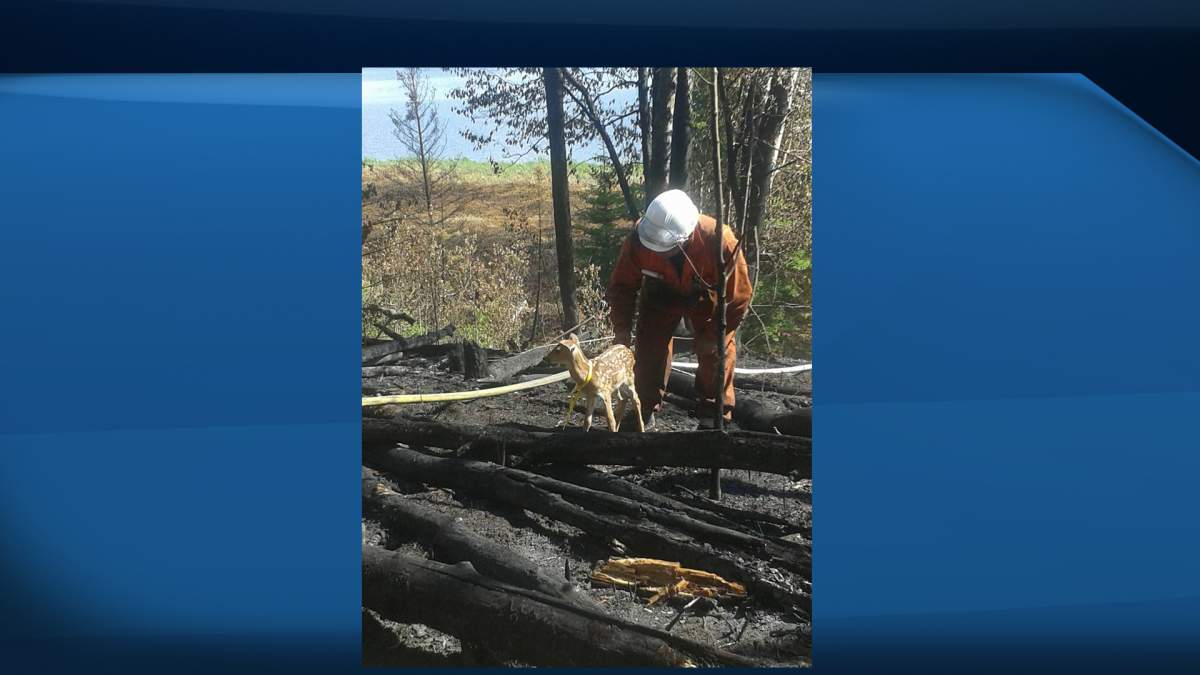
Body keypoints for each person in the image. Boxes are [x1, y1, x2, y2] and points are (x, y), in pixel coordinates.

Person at [606, 189, 752, 429]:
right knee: (649, 349)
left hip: (706, 297)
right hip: (659, 292)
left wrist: (715, 334)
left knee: (716, 352)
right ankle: (643, 409)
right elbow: (622, 286)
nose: (657, 251)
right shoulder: (639, 239)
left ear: (686, 236)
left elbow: (739, 296)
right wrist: (621, 330)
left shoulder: (719, 240)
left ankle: (714, 416)